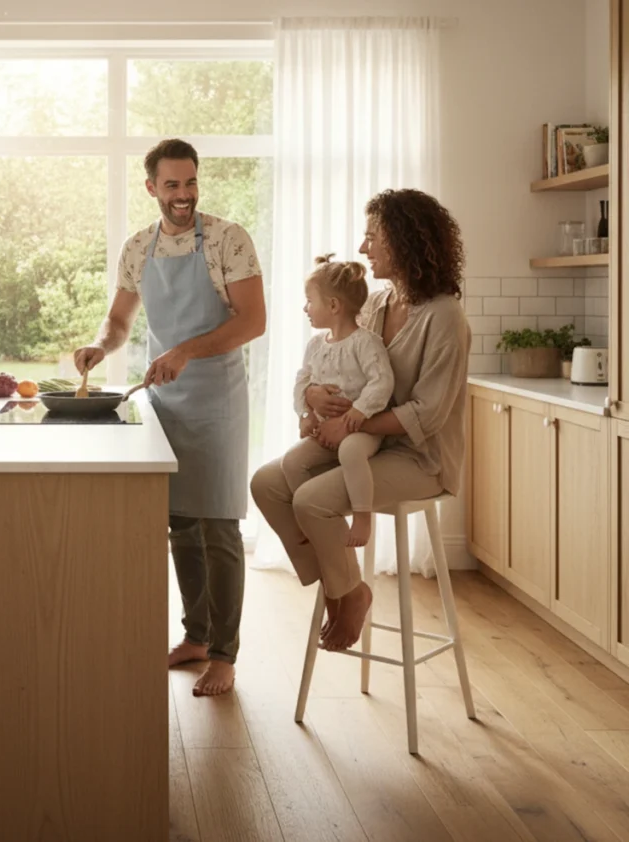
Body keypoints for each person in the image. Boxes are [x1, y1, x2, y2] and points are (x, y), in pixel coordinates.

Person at [74, 138, 266, 697]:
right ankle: (197, 636)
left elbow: (251, 321)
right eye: (172, 185)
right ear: (152, 186)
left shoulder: (228, 240)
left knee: (220, 528)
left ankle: (226, 656)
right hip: (165, 402)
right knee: (181, 522)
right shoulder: (138, 247)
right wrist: (99, 347)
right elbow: (118, 320)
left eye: (191, 183)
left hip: (217, 401)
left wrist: (185, 351)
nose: (183, 195)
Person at [250, 188, 470, 653]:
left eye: (373, 237)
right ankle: (343, 588)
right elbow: (342, 363)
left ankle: (346, 595)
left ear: (405, 241)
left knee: (311, 500)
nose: (364, 247)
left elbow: (427, 414)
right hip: (362, 444)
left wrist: (352, 424)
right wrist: (312, 395)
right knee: (266, 483)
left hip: (418, 458)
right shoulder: (376, 304)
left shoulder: (445, 318)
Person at [284, 254, 394, 549]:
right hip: (324, 430)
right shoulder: (315, 345)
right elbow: (302, 381)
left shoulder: (366, 343)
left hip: (362, 431)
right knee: (293, 462)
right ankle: (308, 518)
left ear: (333, 306)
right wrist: (304, 415)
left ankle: (362, 516)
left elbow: (382, 381)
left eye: (310, 301)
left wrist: (356, 414)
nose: (305, 308)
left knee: (350, 451)